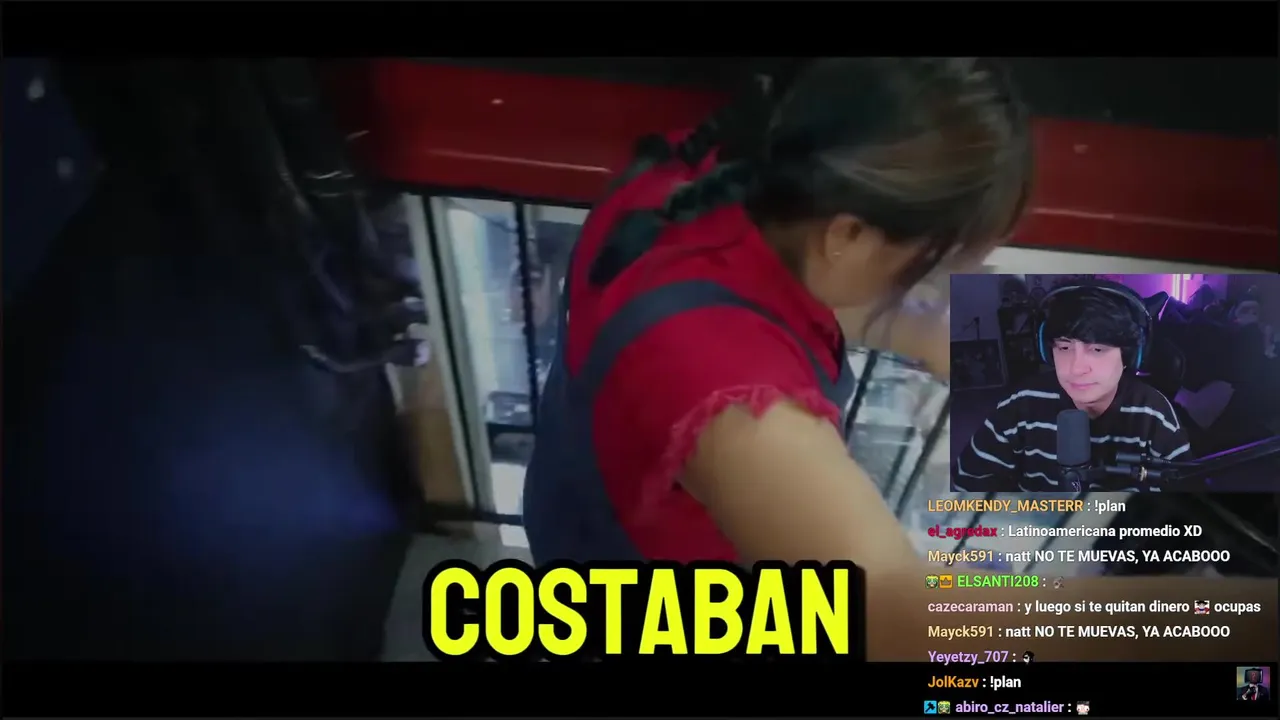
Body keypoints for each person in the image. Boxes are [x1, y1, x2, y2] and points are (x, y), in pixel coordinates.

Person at [520, 59, 1271, 661]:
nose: (941, 286)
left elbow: (865, 304)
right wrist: (1228, 618)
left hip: (580, 519)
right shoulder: (740, 411)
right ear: (848, 234)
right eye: (936, 263)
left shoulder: (730, 171)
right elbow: (897, 622)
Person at [954, 281, 1193, 492]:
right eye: (1064, 347)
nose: (1076, 368)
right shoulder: (1020, 404)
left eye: (1097, 349)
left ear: (1130, 356)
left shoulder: (1155, 416)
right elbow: (966, 486)